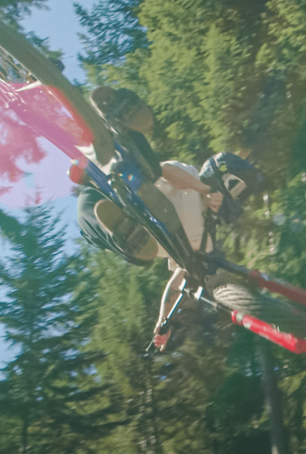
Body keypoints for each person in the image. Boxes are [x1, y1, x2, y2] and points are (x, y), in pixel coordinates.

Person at [75, 87, 223, 351]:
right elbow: (167, 171)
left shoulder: (185, 258)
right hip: (151, 194)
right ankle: (120, 127)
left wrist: (162, 322)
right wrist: (205, 190)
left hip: (144, 221)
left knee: (90, 216)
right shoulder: (204, 229)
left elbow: (174, 289)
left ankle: (123, 232)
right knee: (151, 173)